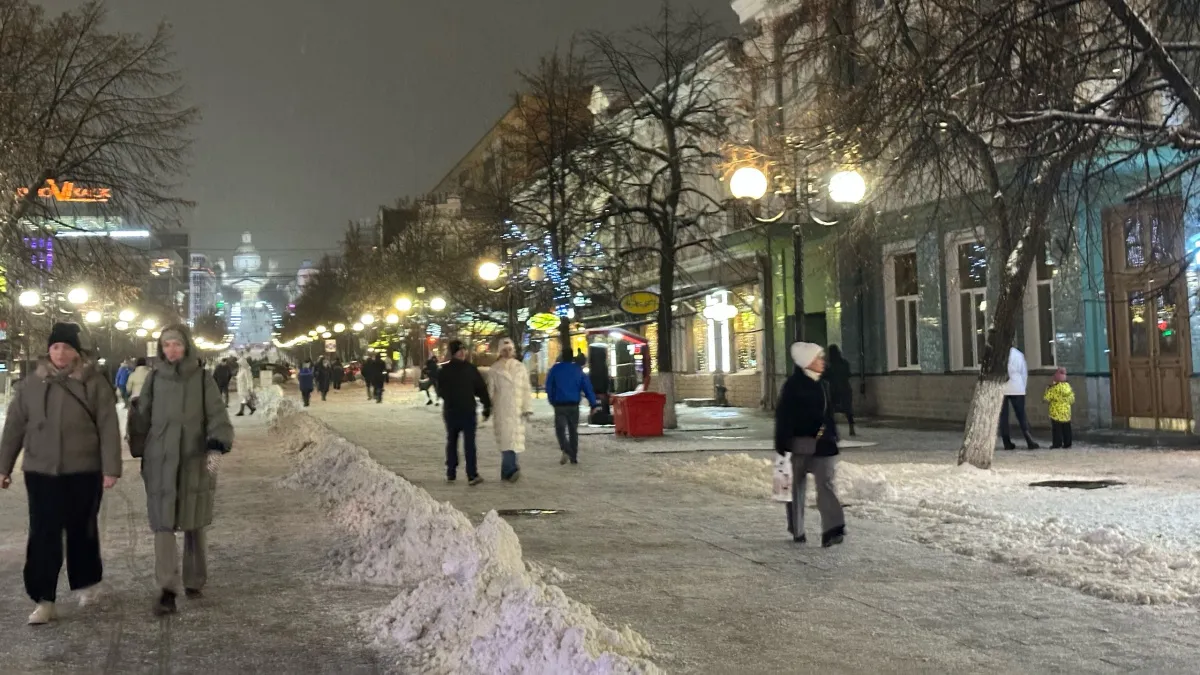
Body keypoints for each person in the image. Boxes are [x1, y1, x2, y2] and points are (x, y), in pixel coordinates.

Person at [0, 322, 122, 625]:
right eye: (56, 347)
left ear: (76, 352)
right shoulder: (31, 384)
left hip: (84, 469)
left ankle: (86, 582)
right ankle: (44, 598)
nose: (61, 353)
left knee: (82, 529)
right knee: (43, 534)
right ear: (48, 351)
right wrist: (3, 467)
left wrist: (111, 469)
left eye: (67, 348)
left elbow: (108, 427)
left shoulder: (93, 383)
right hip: (41, 471)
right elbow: (14, 427)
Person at [130, 325, 234, 616]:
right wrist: (135, 418)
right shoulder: (154, 379)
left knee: (194, 522)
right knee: (163, 523)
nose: (171, 350)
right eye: (166, 345)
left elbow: (217, 414)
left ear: (186, 347)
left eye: (176, 344)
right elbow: (143, 419)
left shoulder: (202, 379)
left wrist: (216, 444)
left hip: (193, 458)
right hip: (160, 460)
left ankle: (195, 579)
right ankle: (166, 588)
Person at [776, 342, 845, 548]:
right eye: (818, 358)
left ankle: (832, 530)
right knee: (795, 488)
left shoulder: (824, 384)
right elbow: (783, 418)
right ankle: (797, 529)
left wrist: (833, 437)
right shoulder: (791, 386)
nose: (823, 362)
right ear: (807, 362)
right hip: (797, 445)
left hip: (824, 445)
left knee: (826, 485)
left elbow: (829, 416)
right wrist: (782, 445)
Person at [437, 341, 490, 485]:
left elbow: (481, 388)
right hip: (454, 411)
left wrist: (487, 406)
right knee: (453, 442)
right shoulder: (446, 370)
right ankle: (452, 472)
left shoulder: (469, 369)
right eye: (459, 351)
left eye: (463, 350)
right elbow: (440, 390)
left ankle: (470, 474)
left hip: (466, 411)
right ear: (453, 353)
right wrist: (450, 398)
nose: (462, 353)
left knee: (468, 444)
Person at [487, 338, 533, 482]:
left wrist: (527, 408)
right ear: (500, 352)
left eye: (510, 350)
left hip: (518, 411)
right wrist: (488, 407)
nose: (507, 352)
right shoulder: (495, 369)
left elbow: (526, 389)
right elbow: (490, 390)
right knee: (507, 441)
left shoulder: (520, 367)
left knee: (515, 442)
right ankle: (511, 470)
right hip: (502, 410)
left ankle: (507, 471)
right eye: (504, 350)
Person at [544, 354, 599, 465]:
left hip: (559, 405)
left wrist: (552, 400)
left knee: (560, 430)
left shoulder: (555, 369)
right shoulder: (578, 370)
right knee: (573, 431)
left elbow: (549, 386)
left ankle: (566, 449)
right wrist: (593, 404)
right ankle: (573, 457)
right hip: (574, 405)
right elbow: (587, 387)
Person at [1000, 346, 1039, 450]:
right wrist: (1023, 387)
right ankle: (1029, 439)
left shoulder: (997, 353)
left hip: (1001, 386)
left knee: (1003, 417)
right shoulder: (1018, 354)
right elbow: (1023, 372)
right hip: (1017, 386)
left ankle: (1006, 442)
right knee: (1021, 415)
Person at [823, 344, 856, 436]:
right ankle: (851, 428)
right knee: (848, 409)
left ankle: (830, 430)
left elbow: (824, 376)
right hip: (845, 389)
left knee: (830, 411)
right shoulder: (845, 363)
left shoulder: (829, 365)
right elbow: (849, 374)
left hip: (834, 390)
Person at [1044, 367, 1075, 449]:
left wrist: (1047, 389)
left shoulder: (1053, 388)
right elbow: (1072, 399)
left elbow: (1046, 398)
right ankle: (1068, 443)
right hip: (1066, 412)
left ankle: (1057, 443)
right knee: (1067, 428)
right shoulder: (1068, 387)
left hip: (1055, 412)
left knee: (1056, 429)